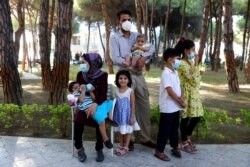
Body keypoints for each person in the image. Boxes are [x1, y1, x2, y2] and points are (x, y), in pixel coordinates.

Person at [109, 9, 155, 150]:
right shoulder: (114, 37)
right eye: (123, 20)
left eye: (129, 19)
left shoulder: (137, 35)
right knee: (127, 108)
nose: (126, 22)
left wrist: (144, 59)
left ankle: (146, 138)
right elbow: (115, 58)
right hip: (124, 76)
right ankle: (131, 139)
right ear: (119, 22)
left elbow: (151, 48)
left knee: (144, 106)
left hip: (139, 75)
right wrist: (130, 64)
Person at [74, 53, 115, 163]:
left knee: (99, 117)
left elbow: (102, 94)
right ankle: (79, 148)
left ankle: (99, 148)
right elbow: (79, 92)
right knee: (77, 118)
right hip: (84, 104)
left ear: (92, 63)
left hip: (98, 103)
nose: (81, 64)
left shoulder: (103, 75)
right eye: (81, 62)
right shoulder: (80, 75)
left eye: (84, 62)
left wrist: (95, 103)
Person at [154, 48, 185, 161]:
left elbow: (179, 86)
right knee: (164, 130)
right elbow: (170, 91)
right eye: (177, 58)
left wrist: (182, 97)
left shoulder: (175, 72)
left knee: (174, 128)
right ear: (169, 59)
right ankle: (159, 150)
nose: (179, 60)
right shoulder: (165, 73)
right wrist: (180, 101)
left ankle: (174, 146)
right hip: (167, 107)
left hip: (175, 106)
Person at [175, 37, 204, 154]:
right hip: (186, 93)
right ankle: (184, 141)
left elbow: (195, 79)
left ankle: (187, 136)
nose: (194, 52)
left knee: (197, 115)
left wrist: (196, 67)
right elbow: (193, 79)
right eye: (192, 50)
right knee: (185, 117)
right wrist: (197, 65)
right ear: (186, 51)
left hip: (194, 93)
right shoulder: (181, 63)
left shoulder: (190, 62)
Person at [67, 81, 115, 150]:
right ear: (72, 91)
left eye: (78, 86)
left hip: (96, 107)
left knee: (110, 102)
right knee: (101, 120)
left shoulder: (85, 94)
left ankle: (108, 117)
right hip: (89, 111)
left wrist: (90, 91)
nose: (78, 88)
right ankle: (106, 139)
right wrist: (83, 90)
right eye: (75, 88)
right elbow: (80, 100)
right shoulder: (74, 95)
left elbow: (94, 99)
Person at [113, 70, 140, 156]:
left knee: (128, 131)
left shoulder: (130, 91)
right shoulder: (116, 90)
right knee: (121, 131)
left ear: (128, 80)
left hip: (127, 115)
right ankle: (121, 145)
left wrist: (132, 117)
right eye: (120, 78)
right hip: (119, 115)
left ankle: (126, 147)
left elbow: (133, 104)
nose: (123, 80)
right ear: (117, 80)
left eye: (125, 78)